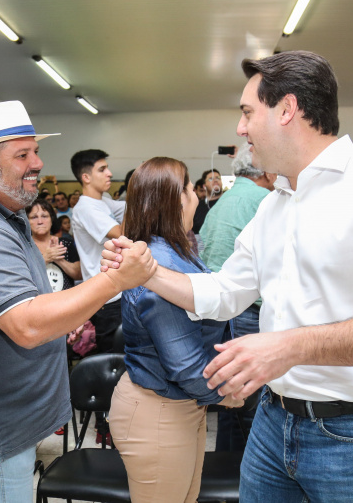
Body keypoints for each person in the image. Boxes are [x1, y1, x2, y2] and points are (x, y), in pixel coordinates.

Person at [104, 51, 353, 502]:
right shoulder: (275, 205)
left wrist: (289, 346)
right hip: (273, 423)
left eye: (248, 113)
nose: (240, 128)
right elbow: (226, 291)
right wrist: (147, 272)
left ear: (287, 110)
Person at [0, 101, 155, 502]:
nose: (37, 162)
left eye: (35, 150)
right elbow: (28, 325)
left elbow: (31, 301)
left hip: (7, 420)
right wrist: (115, 280)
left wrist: (77, 304)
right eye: (23, 155)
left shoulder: (2, 214)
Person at [109, 157, 241, 503]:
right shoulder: (159, 262)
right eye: (189, 188)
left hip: (181, 403)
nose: (196, 196)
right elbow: (182, 361)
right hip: (159, 409)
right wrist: (225, 395)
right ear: (176, 199)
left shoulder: (175, 250)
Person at [199, 143, 275, 450]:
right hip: (247, 311)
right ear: (267, 170)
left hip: (218, 309)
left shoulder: (223, 200)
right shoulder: (265, 200)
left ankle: (227, 469)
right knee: (255, 406)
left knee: (232, 398)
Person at [70, 149, 127, 355]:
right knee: (113, 358)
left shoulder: (102, 202)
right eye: (102, 169)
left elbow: (129, 208)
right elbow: (119, 232)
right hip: (106, 299)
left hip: (115, 292)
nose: (109, 173)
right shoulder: (85, 208)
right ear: (86, 177)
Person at [28, 198, 81, 292]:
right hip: (37, 302)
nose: (40, 221)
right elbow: (20, 277)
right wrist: (44, 259)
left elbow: (79, 275)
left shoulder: (65, 243)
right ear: (27, 221)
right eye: (34, 217)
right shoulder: (24, 246)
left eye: (44, 216)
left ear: (51, 220)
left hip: (66, 301)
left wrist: (59, 259)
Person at [191, 168, 222, 234]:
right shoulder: (196, 206)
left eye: (218, 178)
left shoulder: (229, 203)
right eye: (211, 179)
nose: (215, 180)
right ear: (204, 186)